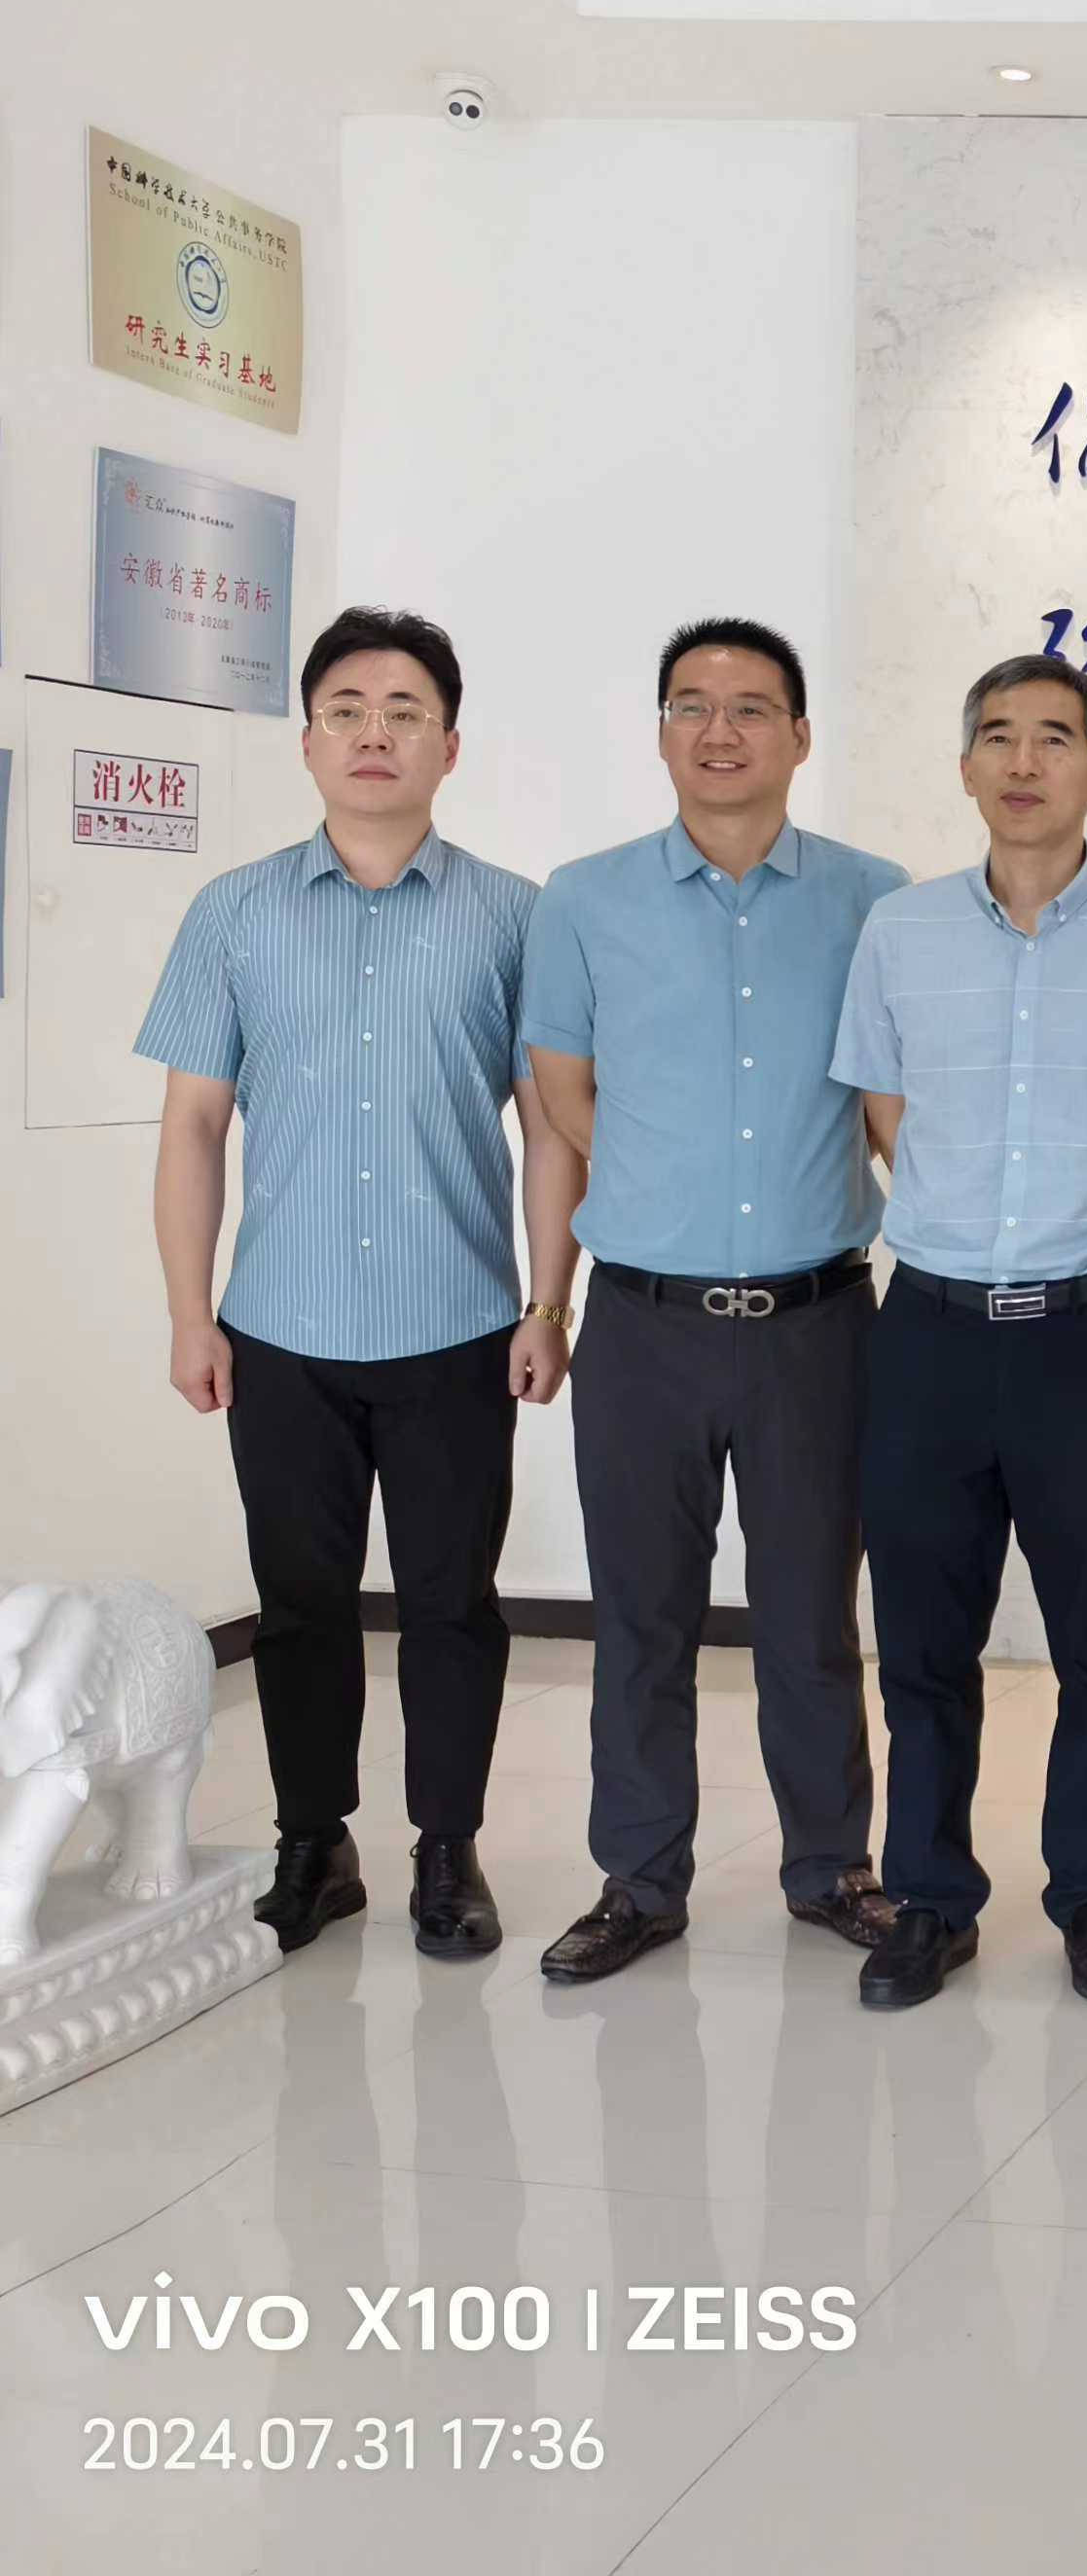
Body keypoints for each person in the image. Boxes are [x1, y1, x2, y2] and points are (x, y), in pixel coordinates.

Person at [134, 609, 580, 1958]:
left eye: (403, 712)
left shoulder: (517, 917)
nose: (373, 734)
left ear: (450, 744)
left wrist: (546, 1302)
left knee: (453, 1607)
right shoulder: (233, 912)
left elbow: (550, 1127)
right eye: (346, 710)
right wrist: (191, 1314)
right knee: (301, 1606)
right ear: (308, 738)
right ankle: (312, 1844)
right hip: (282, 1330)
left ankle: (448, 1851)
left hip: (458, 1327)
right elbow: (193, 1127)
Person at [523, 618, 908, 1983]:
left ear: (800, 735)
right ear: (661, 732)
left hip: (818, 1322)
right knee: (640, 1618)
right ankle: (639, 1880)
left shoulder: (875, 900)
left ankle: (832, 1867)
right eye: (692, 703)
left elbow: (894, 1106)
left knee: (811, 1619)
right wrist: (569, 1285)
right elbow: (564, 1102)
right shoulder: (584, 900)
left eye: (751, 706)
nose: (720, 729)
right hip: (643, 1323)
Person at [834, 656, 1087, 2010]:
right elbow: (886, 1115)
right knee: (923, 1638)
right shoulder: (900, 932)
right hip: (928, 1333)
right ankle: (931, 1898)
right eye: (997, 736)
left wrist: (1076, 1227)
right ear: (966, 770)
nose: (1023, 761)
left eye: (1054, 738)